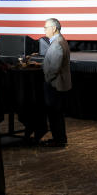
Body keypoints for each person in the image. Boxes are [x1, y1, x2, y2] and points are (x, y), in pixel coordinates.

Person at [40, 18, 71, 147]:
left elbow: (55, 68)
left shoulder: (57, 43)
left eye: (46, 27)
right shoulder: (58, 41)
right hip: (56, 83)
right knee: (55, 113)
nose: (44, 30)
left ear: (54, 28)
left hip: (55, 85)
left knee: (55, 113)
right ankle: (58, 138)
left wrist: (47, 79)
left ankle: (59, 140)